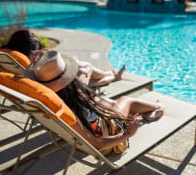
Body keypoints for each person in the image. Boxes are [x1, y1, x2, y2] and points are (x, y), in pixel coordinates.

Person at [24, 50, 164, 152]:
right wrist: (128, 133)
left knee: (105, 102)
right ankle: (158, 108)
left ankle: (145, 114)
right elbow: (97, 143)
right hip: (109, 133)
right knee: (125, 100)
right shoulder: (70, 110)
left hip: (96, 123)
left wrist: (39, 66)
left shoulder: (52, 99)